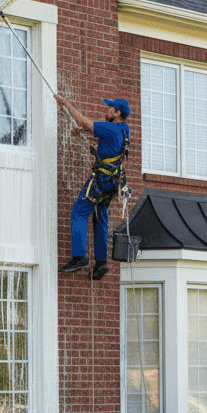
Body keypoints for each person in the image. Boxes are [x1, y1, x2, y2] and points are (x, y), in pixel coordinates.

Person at [56, 94, 131, 280]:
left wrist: (66, 103)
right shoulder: (123, 130)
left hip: (101, 180)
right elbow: (110, 145)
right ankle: (100, 263)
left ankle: (79, 257)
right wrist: (84, 134)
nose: (107, 111)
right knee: (100, 218)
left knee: (79, 212)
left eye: (110, 109)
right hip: (113, 183)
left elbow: (83, 122)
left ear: (117, 113)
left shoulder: (111, 128)